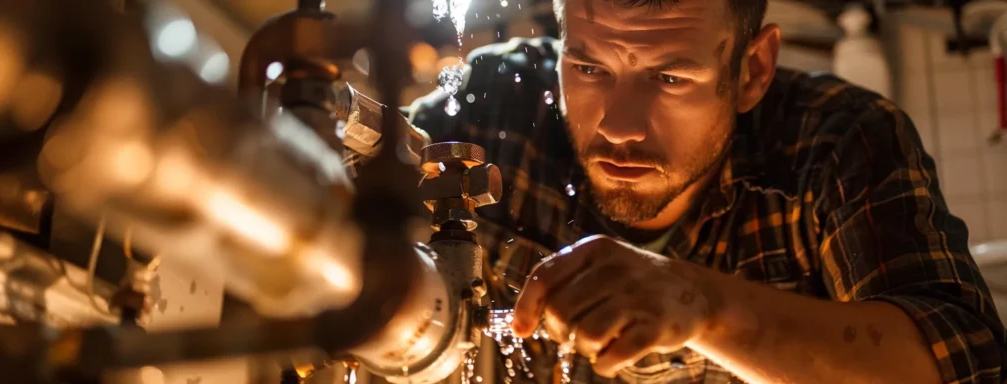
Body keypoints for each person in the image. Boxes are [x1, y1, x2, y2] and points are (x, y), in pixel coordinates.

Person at [408, 0, 1006, 383]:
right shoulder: (490, 107)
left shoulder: (836, 141)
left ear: (752, 71)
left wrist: (705, 305)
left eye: (669, 78)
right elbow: (364, 174)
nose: (619, 126)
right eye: (589, 69)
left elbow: (965, 359)